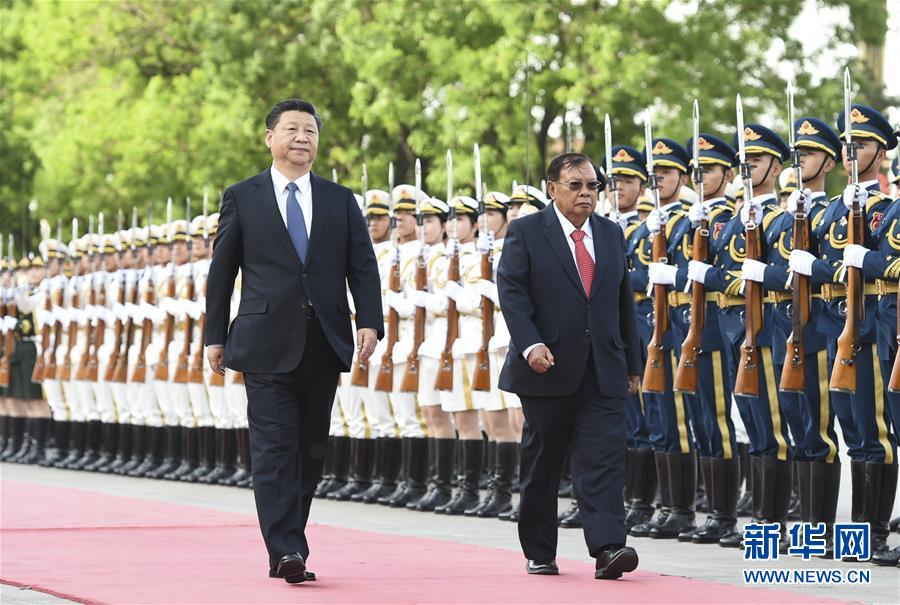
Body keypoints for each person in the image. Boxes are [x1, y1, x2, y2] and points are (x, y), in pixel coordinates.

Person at [205, 98, 383, 584]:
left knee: (310, 449)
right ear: (270, 138)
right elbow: (221, 273)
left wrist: (370, 320)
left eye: (310, 130)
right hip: (264, 342)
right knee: (273, 449)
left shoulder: (339, 199)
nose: (302, 137)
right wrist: (213, 337)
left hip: (323, 340)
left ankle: (289, 539)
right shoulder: (243, 196)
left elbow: (362, 266)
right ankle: (286, 550)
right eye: (292, 129)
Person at [497, 152, 641, 580]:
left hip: (604, 367)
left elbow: (622, 302)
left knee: (604, 459)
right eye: (575, 185)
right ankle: (540, 550)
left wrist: (633, 362)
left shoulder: (611, 234)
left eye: (592, 186)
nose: (585, 194)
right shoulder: (526, 231)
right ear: (552, 188)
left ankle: (609, 546)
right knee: (544, 461)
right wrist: (530, 345)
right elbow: (512, 291)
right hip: (547, 365)